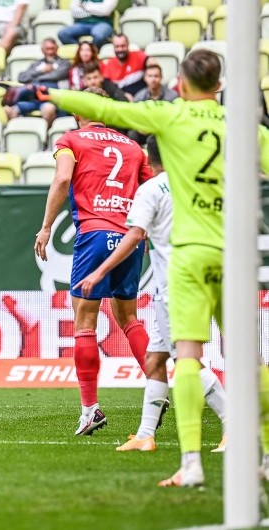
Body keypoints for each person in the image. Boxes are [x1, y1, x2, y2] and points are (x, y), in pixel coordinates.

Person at [34, 49, 269, 487]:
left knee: (120, 334)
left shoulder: (91, 137)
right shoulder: (145, 144)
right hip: (204, 247)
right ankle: (251, 444)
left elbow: (71, 175)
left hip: (144, 248)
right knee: (237, 354)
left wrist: (48, 227)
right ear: (218, 85)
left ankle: (100, 415)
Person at [73, 136, 227, 453]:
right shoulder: (192, 185)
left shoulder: (152, 189)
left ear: (149, 158)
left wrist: (100, 272)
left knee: (186, 359)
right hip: (185, 280)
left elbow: (135, 236)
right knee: (154, 358)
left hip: (176, 286)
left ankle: (233, 423)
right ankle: (145, 434)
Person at [33, 87, 152, 437]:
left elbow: (62, 179)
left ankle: (90, 410)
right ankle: (158, 391)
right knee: (129, 317)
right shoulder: (133, 148)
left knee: (85, 322)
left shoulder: (71, 139)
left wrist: (44, 228)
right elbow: (150, 191)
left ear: (76, 111)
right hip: (130, 238)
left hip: (95, 235)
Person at [6, 38, 69, 126]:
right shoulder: (36, 64)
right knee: (9, 110)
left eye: (52, 48)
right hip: (32, 98)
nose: (50, 52)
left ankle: (47, 136)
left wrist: (35, 78)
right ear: (42, 50)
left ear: (57, 48)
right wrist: (41, 71)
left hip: (50, 98)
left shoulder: (64, 63)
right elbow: (22, 77)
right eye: (47, 49)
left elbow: (57, 75)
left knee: (49, 109)